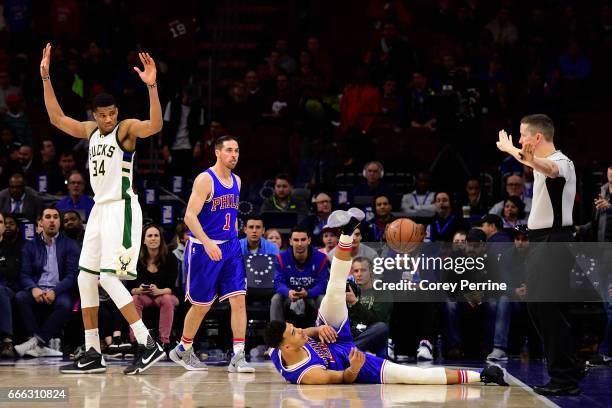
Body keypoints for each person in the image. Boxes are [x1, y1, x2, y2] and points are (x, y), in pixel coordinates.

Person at [265, 208, 508, 386]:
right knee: (414, 377)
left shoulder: (280, 348)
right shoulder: (309, 375)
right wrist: (354, 369)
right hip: (353, 363)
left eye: (295, 328)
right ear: (287, 346)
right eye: (295, 332)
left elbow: (305, 333)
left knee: (334, 288)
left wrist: (316, 331)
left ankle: (347, 232)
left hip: (333, 334)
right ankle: (484, 375)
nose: (300, 331)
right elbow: (343, 378)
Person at [39, 44, 166, 374]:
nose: (108, 120)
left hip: (122, 209)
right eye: (102, 115)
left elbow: (154, 125)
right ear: (94, 115)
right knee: (85, 278)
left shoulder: (125, 130)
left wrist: (151, 86)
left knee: (109, 278)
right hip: (98, 211)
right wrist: (46, 77)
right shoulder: (90, 131)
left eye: (112, 114)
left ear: (117, 112)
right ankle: (93, 351)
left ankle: (148, 343)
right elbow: (55, 117)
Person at [496, 114, 587, 395]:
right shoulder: (536, 163)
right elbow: (536, 165)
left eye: (523, 135)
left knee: (546, 308)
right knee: (542, 307)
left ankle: (565, 377)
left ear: (537, 138)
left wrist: (513, 151)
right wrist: (521, 156)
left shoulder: (561, 162)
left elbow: (548, 168)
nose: (520, 140)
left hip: (554, 242)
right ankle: (570, 367)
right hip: (541, 241)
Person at [170, 135, 254, 373]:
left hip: (230, 246)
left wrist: (232, 232)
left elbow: (229, 213)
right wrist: (207, 243)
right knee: (202, 306)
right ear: (217, 152)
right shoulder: (205, 179)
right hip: (203, 247)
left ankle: (238, 356)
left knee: (239, 299)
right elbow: (189, 216)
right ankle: (183, 349)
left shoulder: (237, 180)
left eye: (237, 150)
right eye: (229, 150)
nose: (234, 155)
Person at [14, 207, 79, 358]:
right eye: (48, 217)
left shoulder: (70, 245)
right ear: (40, 222)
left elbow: (71, 275)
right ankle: (39, 345)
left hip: (60, 290)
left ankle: (35, 343)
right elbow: (24, 274)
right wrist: (33, 288)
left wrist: (55, 291)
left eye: (56, 217)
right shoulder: (30, 246)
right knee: (20, 298)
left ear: (59, 222)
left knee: (66, 304)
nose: (52, 220)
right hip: (38, 288)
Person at [128, 224, 179, 354]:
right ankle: (137, 341)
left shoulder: (170, 258)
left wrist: (159, 291)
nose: (153, 238)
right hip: (144, 296)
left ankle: (164, 341)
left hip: (164, 295)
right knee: (135, 299)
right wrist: (139, 290)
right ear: (144, 240)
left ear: (161, 239)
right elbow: (131, 289)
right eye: (149, 236)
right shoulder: (136, 260)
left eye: (156, 235)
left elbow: (172, 288)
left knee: (167, 299)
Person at [271, 226, 330, 323]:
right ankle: (277, 334)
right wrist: (288, 292)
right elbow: (278, 283)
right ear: (290, 241)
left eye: (303, 240)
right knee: (276, 298)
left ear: (309, 240)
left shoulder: (321, 258)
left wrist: (308, 293)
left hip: (312, 296)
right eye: (296, 240)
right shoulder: (281, 258)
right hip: (289, 297)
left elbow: (322, 284)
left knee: (322, 298)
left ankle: (325, 332)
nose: (299, 244)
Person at [347, 257, 392, 357]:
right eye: (356, 271)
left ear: (371, 271)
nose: (359, 274)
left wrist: (354, 302)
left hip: (372, 334)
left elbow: (377, 319)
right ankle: (353, 350)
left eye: (363, 270)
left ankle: (347, 352)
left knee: (381, 327)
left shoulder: (382, 291)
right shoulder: (351, 290)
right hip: (354, 334)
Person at [0, 212, 21, 357]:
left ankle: (7, 341)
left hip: (8, 289)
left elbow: (11, 272)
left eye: (0, 222)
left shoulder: (12, 248)